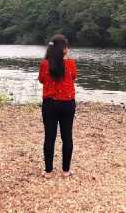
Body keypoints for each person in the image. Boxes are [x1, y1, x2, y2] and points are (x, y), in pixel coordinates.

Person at [38, 34, 77, 178]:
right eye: (67, 46)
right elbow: (73, 77)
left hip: (50, 104)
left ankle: (48, 172)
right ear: (64, 49)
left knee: (50, 137)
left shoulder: (44, 64)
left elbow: (42, 80)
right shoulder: (71, 63)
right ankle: (66, 171)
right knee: (67, 136)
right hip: (67, 104)